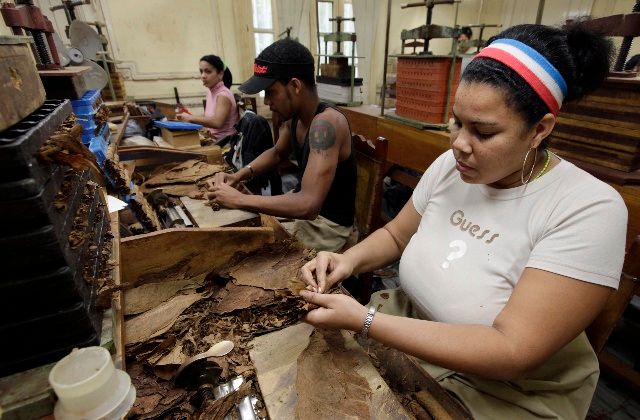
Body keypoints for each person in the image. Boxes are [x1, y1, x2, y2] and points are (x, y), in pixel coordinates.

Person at [299, 23, 628, 419]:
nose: (458, 143)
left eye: (483, 132)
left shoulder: (587, 208)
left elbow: (512, 351)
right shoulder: (454, 166)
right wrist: (348, 260)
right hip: (408, 326)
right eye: (457, 122)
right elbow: (396, 234)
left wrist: (366, 320)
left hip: (499, 389)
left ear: (540, 129)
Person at [208, 39, 356, 252]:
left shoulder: (325, 125)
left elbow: (308, 205)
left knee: (250, 254)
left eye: (270, 92)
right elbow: (278, 153)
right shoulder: (295, 118)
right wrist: (238, 175)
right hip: (308, 215)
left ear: (295, 86)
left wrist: (241, 199)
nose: (267, 101)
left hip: (328, 226)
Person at [176, 54, 238, 139]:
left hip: (225, 143)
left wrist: (190, 118)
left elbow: (217, 122)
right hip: (213, 138)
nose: (203, 76)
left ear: (220, 74)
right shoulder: (210, 92)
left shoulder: (223, 95)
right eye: (201, 71)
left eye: (208, 71)